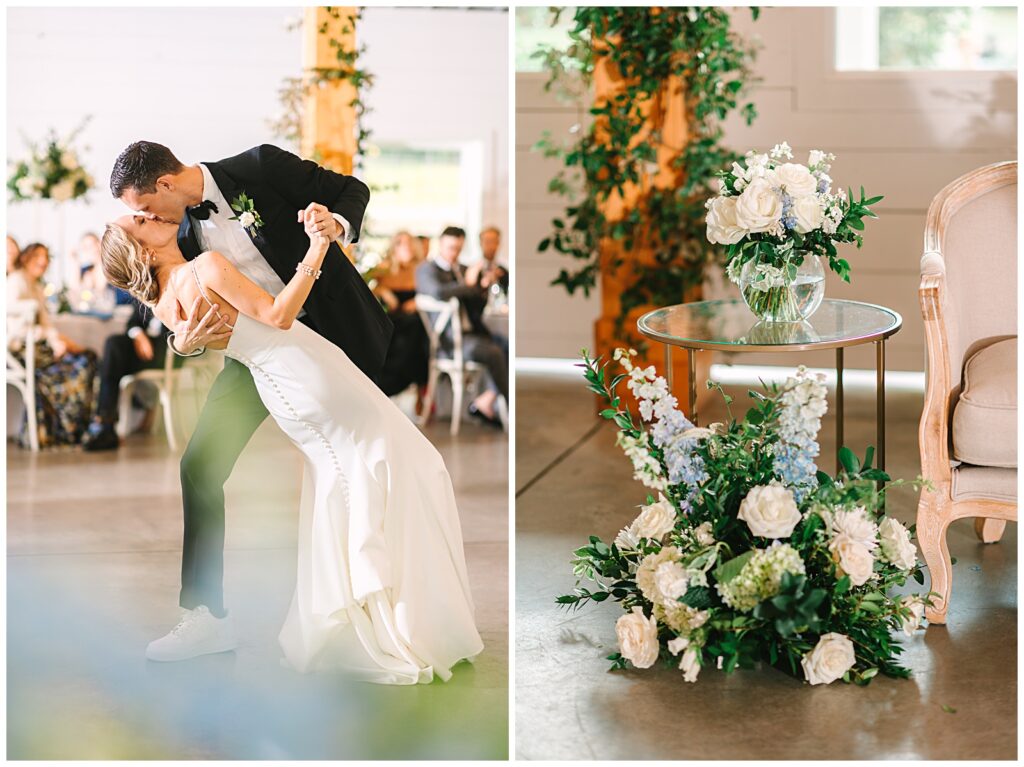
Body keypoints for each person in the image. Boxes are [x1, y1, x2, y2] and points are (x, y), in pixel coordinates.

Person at [105, 141, 479, 683]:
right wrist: (185, 343)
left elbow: (352, 190)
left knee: (363, 468)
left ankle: (385, 604)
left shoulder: (257, 166)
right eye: (141, 218)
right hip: (261, 353)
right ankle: (206, 615)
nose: (148, 218)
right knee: (200, 466)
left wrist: (334, 225)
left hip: (330, 335)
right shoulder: (180, 232)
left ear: (163, 186)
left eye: (145, 207)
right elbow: (177, 300)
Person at [415, 226, 508, 428]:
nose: (454, 253)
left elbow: (476, 308)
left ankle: (486, 400)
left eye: (458, 248)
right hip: (449, 341)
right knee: (495, 352)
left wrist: (482, 286)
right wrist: (469, 284)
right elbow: (438, 292)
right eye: (450, 247)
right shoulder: (427, 269)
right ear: (441, 244)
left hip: (472, 333)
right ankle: (507, 407)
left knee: (505, 345)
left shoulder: (465, 269)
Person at [7, 243, 98, 448]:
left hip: (38, 347)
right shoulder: (15, 282)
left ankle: (74, 429)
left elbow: (46, 323)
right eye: (39, 255)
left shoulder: (37, 286)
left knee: (88, 357)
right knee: (82, 364)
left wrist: (57, 341)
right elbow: (17, 329)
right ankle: (66, 430)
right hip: (22, 351)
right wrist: (52, 340)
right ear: (26, 257)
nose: (44, 261)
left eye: (47, 256)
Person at [80, 298, 172, 451]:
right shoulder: (150, 287)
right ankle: (106, 423)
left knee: (114, 356)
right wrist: (138, 335)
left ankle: (105, 425)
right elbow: (133, 322)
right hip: (147, 348)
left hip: (168, 349)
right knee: (113, 345)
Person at [373, 231, 429, 399]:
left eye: (410, 243)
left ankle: (419, 389)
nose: (408, 247)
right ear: (395, 247)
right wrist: (384, 291)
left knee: (417, 329)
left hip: (414, 322)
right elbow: (369, 288)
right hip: (391, 321)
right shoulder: (384, 268)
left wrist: (418, 301)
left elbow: (430, 293)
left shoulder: (421, 269)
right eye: (402, 243)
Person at [464, 226, 509, 293]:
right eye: (487, 241)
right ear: (480, 243)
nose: (491, 246)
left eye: (494, 241)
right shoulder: (471, 267)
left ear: (498, 243)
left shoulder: (505, 268)